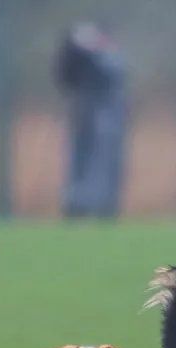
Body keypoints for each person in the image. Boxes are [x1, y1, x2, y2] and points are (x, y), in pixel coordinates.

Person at [54, 21, 128, 219]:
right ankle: (77, 205)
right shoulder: (79, 52)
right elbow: (64, 76)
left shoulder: (109, 58)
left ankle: (101, 205)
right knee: (79, 159)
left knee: (103, 161)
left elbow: (114, 77)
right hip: (83, 113)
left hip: (103, 116)